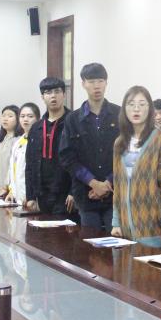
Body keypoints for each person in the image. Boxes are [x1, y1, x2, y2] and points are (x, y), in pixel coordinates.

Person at [59, 63, 121, 231]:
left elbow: (126, 154)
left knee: (115, 240)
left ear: (106, 83)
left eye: (100, 81)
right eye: (91, 81)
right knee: (89, 241)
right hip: (85, 194)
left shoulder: (119, 114)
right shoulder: (72, 119)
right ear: (83, 84)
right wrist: (93, 183)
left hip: (115, 193)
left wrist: (108, 183)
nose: (96, 86)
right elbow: (67, 157)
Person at [110, 86, 161, 242]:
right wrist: (116, 221)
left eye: (142, 104)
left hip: (152, 223)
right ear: (124, 109)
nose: (136, 109)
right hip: (125, 225)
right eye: (131, 104)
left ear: (150, 109)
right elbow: (118, 184)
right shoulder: (120, 142)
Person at [26, 78, 75, 216]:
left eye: (57, 91)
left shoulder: (74, 123)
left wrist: (74, 192)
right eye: (48, 92)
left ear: (64, 94)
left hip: (65, 195)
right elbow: (29, 164)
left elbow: (82, 159)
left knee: (65, 229)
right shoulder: (36, 127)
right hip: (42, 194)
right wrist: (30, 196)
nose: (53, 96)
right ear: (42, 97)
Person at [6, 103, 40, 206]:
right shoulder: (18, 142)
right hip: (17, 196)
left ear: (38, 119)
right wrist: (11, 191)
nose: (25, 119)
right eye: (22, 116)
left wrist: (31, 195)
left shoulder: (39, 141)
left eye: (30, 116)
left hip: (31, 198)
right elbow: (13, 170)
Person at [0, 105, 20, 198]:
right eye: (3, 115)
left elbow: (14, 168)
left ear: (18, 119)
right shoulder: (2, 139)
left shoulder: (18, 140)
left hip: (10, 190)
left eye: (10, 116)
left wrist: (6, 188)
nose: (5, 119)